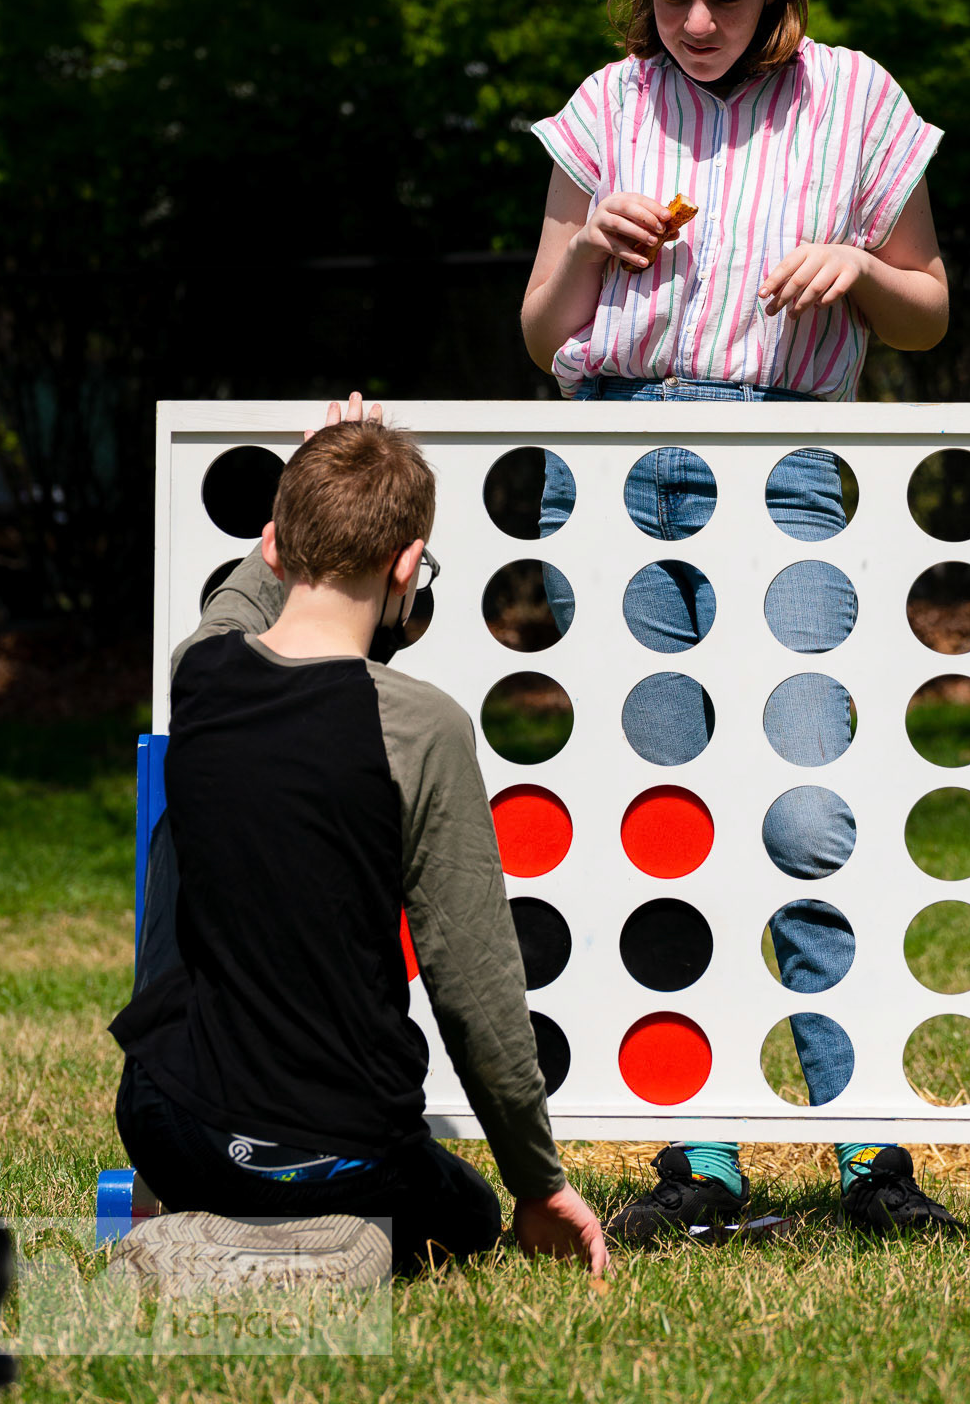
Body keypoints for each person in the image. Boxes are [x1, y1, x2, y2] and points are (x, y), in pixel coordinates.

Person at [521, 0, 962, 1242]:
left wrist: (861, 272)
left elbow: (930, 314)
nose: (693, 23)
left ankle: (865, 1160)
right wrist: (589, 245)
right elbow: (539, 336)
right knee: (660, 815)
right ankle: (695, 1163)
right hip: (610, 467)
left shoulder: (860, 100)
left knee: (805, 811)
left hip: (784, 474)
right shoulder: (605, 108)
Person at [110, 395, 608, 1279]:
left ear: (273, 543)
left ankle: (191, 1219)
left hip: (167, 1120)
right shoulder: (422, 726)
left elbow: (240, 596)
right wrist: (537, 1184)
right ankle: (295, 1257)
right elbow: (475, 986)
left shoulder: (201, 673)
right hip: (328, 1155)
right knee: (465, 1212)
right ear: (408, 563)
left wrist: (309, 481)